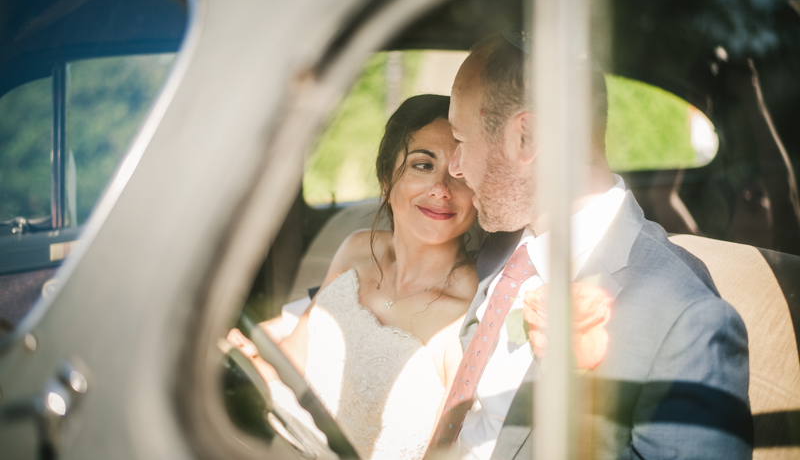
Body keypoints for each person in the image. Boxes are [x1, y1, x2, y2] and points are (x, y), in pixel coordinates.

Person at [425, 33, 752, 459]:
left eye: (461, 141)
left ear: (526, 138)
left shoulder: (686, 323)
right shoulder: (499, 247)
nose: (456, 168)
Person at [230, 94, 480, 460]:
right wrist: (251, 354)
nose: (441, 189)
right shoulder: (357, 249)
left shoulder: (468, 312)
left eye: (459, 172)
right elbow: (293, 361)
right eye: (423, 165)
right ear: (385, 179)